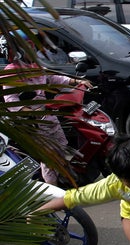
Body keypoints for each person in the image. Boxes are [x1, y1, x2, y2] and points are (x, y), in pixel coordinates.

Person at [1, 30, 91, 186]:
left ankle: (63, 182)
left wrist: (76, 81)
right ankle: (53, 192)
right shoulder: (11, 74)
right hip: (33, 125)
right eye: (28, 47)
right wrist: (30, 112)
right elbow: (11, 102)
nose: (33, 51)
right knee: (49, 159)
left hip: (49, 118)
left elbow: (54, 78)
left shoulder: (35, 67)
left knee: (62, 149)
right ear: (19, 51)